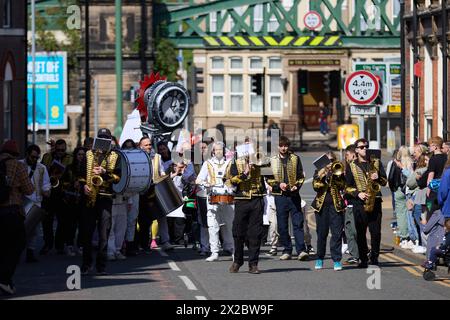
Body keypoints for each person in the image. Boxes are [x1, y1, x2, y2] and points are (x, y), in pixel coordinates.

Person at [80, 128, 120, 275]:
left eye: (106, 138)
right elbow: (80, 175)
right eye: (101, 137)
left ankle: (101, 265)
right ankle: (86, 264)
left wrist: (105, 173)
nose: (103, 140)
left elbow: (118, 177)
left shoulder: (115, 156)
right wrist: (84, 185)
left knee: (104, 234)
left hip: (105, 197)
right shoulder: (88, 154)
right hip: (89, 198)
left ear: (110, 140)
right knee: (87, 233)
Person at [345, 138, 387, 267]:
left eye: (366, 146)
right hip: (360, 203)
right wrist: (358, 193)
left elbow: (384, 182)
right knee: (360, 232)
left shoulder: (376, 163)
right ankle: (363, 259)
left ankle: (374, 257)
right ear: (356, 150)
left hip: (375, 201)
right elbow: (347, 187)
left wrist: (378, 177)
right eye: (362, 147)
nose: (365, 149)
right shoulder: (351, 166)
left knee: (376, 233)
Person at [0, 140, 34, 295]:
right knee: (17, 244)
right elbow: (29, 189)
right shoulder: (17, 165)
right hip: (12, 211)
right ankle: (5, 279)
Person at [267, 136, 308, 261]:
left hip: (294, 196)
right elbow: (267, 178)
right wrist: (278, 185)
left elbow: (301, 175)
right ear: (278, 147)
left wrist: (297, 185)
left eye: (286, 146)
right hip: (280, 197)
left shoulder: (295, 158)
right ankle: (287, 250)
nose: (284, 148)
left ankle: (301, 250)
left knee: (298, 223)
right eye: (281, 146)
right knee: (282, 225)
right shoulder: (271, 160)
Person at [227, 144, 267, 274]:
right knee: (238, 232)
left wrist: (261, 165)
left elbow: (271, 176)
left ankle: (253, 264)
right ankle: (237, 260)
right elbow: (231, 181)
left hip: (257, 199)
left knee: (255, 234)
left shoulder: (261, 161)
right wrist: (244, 173)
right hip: (241, 200)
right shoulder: (236, 163)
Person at [196, 142, 234, 262]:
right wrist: (206, 184)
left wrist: (232, 188)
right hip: (212, 196)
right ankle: (214, 252)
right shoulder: (208, 163)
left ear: (223, 151)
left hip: (228, 197)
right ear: (213, 151)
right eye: (216, 150)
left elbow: (234, 179)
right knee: (213, 225)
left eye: (220, 150)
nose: (218, 152)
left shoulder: (230, 163)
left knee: (230, 225)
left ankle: (232, 249)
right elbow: (198, 180)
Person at [311, 151, 346, 271]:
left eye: (332, 161)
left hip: (336, 206)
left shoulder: (338, 171)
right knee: (322, 234)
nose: (330, 164)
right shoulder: (318, 172)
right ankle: (319, 258)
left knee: (336, 234)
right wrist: (322, 176)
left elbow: (342, 186)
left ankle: (336, 260)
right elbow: (315, 187)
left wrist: (336, 176)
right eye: (328, 161)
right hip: (321, 206)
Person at [137, 136, 173, 252]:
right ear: (140, 146)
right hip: (142, 192)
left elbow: (161, 172)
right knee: (144, 220)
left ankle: (165, 241)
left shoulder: (157, 157)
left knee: (162, 216)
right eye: (146, 145)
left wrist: (167, 175)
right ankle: (144, 244)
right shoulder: (137, 157)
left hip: (156, 190)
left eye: (149, 145)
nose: (148, 147)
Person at [40, 139, 73, 255]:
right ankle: (48, 244)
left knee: (62, 220)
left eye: (62, 150)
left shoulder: (69, 158)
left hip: (62, 192)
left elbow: (71, 175)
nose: (60, 152)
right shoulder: (47, 156)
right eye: (58, 150)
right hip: (49, 192)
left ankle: (59, 245)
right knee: (47, 220)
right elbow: (42, 171)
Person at [20, 144, 51, 263]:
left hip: (36, 201)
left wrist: (46, 191)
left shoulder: (41, 168)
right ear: (27, 154)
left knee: (33, 229)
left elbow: (46, 184)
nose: (34, 160)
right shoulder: (20, 164)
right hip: (21, 201)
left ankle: (30, 252)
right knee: (19, 228)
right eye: (32, 157)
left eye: (36, 158)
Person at [61, 146, 86, 256]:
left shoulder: (88, 168)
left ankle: (81, 245)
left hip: (84, 199)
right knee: (71, 224)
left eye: (83, 155)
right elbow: (63, 182)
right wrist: (72, 184)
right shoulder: (70, 168)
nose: (81, 157)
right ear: (75, 156)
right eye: (79, 154)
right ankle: (69, 245)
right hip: (71, 199)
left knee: (83, 224)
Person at [388, 146, 413, 248]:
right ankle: (411, 236)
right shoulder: (411, 162)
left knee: (401, 214)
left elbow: (390, 177)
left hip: (398, 190)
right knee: (409, 213)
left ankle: (404, 236)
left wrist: (393, 189)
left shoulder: (396, 163)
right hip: (409, 190)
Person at [342, 144, 359, 265]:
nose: (346, 157)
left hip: (354, 202)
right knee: (349, 230)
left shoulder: (353, 167)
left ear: (353, 154)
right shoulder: (348, 167)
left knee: (353, 230)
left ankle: (360, 253)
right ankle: (354, 255)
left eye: (347, 155)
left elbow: (349, 185)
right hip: (349, 202)